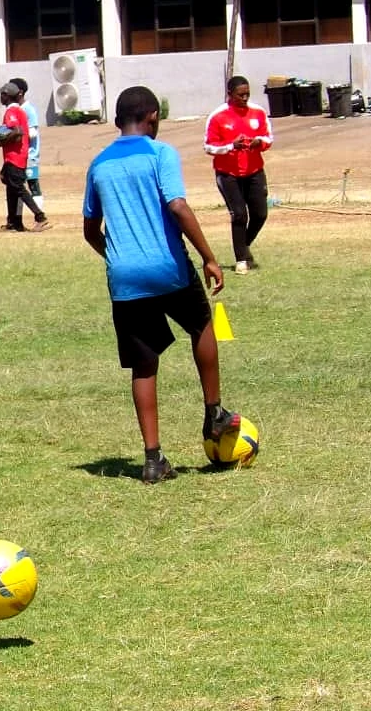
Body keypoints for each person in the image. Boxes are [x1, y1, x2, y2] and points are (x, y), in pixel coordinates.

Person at [83, 86, 241, 484]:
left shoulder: (99, 164)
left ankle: (152, 460)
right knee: (201, 323)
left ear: (119, 119)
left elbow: (90, 229)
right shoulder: (160, 154)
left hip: (125, 278)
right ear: (152, 116)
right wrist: (208, 256)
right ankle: (214, 414)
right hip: (168, 266)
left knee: (143, 365)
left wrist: (119, 257)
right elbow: (177, 205)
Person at [203, 75, 273, 274]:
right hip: (228, 174)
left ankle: (244, 245)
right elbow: (208, 146)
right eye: (240, 95)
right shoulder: (218, 116)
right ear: (230, 94)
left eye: (247, 94)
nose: (244, 98)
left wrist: (259, 142)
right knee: (239, 215)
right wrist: (231, 146)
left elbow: (268, 137)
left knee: (260, 214)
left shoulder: (258, 112)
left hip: (254, 171)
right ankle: (241, 259)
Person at [0, 81, 50, 233]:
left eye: (2, 94)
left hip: (15, 156)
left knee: (18, 188)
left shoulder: (11, 112)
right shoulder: (19, 110)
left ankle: (40, 217)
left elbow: (17, 132)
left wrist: (2, 140)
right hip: (14, 157)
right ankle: (14, 222)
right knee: (11, 188)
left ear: (7, 96)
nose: (0, 97)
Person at [9, 77, 44, 227]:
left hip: (29, 155)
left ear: (20, 92)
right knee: (18, 188)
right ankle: (17, 221)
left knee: (33, 186)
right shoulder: (15, 109)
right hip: (20, 156)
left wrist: (14, 134)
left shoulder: (28, 109)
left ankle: (41, 218)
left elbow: (33, 133)